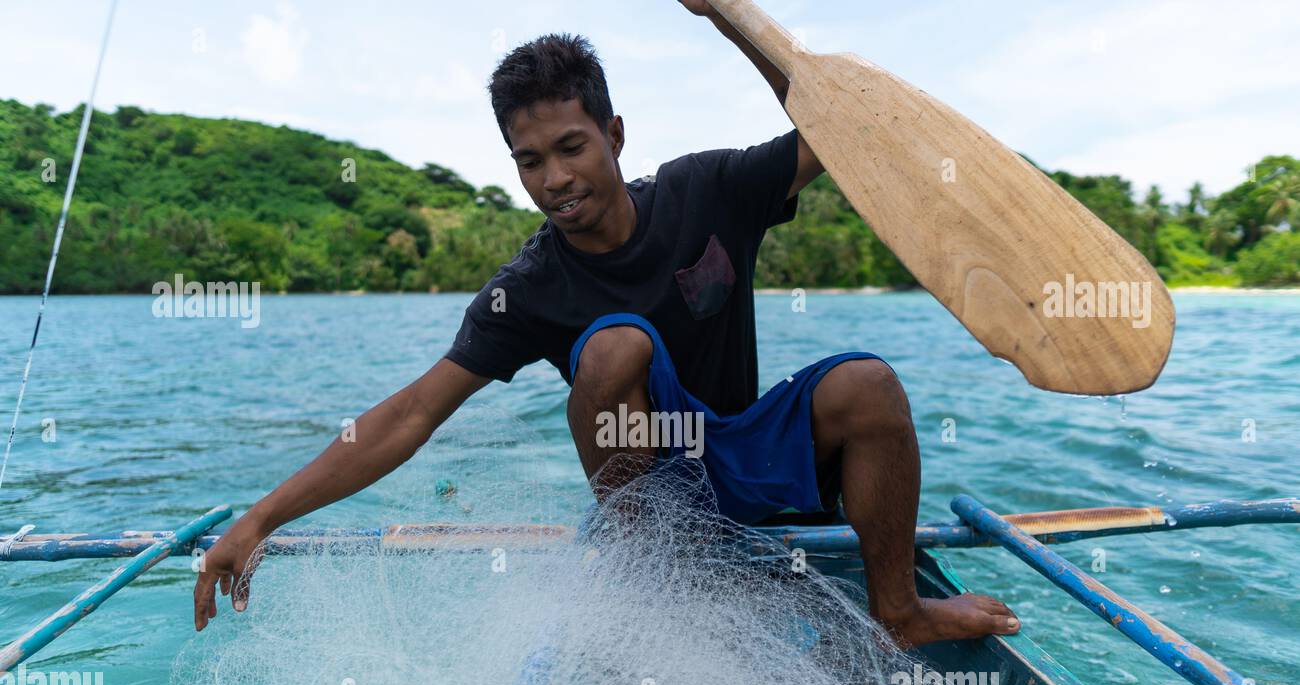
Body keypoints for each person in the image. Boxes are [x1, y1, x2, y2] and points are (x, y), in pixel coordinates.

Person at [194, 4, 1019, 647]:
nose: (555, 179)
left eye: (571, 147)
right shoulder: (529, 288)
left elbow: (837, 136)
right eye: (529, 161)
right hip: (655, 503)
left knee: (869, 384)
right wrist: (262, 516)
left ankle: (898, 610)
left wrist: (734, 21)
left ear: (615, 135)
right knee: (617, 345)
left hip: (743, 449)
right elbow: (410, 415)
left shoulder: (709, 191)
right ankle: (650, 585)